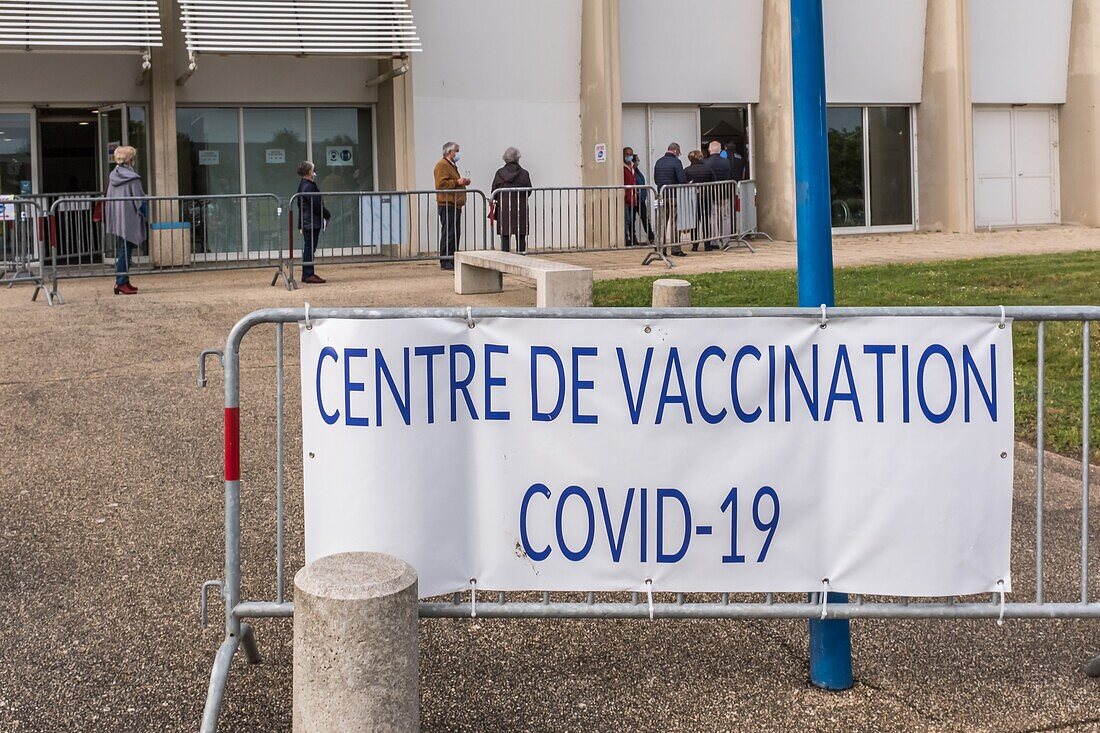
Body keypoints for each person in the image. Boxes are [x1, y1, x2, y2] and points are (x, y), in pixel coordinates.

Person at [104, 145, 146, 295]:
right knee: (125, 251)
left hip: (117, 216)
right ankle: (121, 282)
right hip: (130, 217)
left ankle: (124, 281)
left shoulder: (113, 176)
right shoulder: (133, 178)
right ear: (131, 160)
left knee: (123, 249)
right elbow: (139, 200)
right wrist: (145, 214)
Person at [434, 141, 470, 271]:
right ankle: (446, 260)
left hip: (455, 204)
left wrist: (462, 182)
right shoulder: (442, 165)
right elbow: (441, 184)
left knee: (455, 232)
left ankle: (453, 257)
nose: (458, 154)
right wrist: (457, 182)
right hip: (447, 203)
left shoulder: (452, 165)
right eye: (456, 151)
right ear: (450, 152)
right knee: (448, 232)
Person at [490, 147, 533, 253]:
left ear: (505, 159)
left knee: (505, 235)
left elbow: (494, 191)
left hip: (504, 208)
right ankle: (521, 257)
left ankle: (506, 258)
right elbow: (529, 190)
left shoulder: (500, 173)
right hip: (520, 207)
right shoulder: (524, 173)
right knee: (521, 235)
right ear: (518, 158)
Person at [296, 161, 330, 284]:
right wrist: (327, 215)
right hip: (311, 221)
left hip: (307, 221)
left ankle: (307, 273)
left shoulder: (303, 184)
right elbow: (315, 205)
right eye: (313, 170)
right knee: (310, 247)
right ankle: (309, 274)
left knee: (309, 247)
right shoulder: (309, 186)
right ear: (310, 171)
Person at [652, 143, 688, 257]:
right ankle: (675, 248)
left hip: (661, 195)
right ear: (676, 151)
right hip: (673, 195)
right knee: (674, 222)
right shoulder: (677, 162)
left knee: (662, 222)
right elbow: (681, 179)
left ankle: (661, 248)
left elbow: (656, 179)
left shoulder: (658, 161)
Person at [704, 140, 734, 250]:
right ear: (720, 149)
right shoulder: (726, 162)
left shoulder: (706, 162)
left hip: (711, 193)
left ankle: (714, 240)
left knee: (713, 217)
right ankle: (726, 239)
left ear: (709, 150)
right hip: (724, 192)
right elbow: (729, 175)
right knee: (726, 217)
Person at [684, 150, 716, 251]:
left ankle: (695, 245)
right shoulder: (708, 169)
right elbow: (714, 181)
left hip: (693, 199)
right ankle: (707, 244)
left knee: (694, 222)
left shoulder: (687, 170)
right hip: (706, 197)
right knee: (706, 220)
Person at [632, 158, 655, 245]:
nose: (638, 162)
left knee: (645, 218)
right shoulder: (631, 171)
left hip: (641, 199)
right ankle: (633, 239)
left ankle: (651, 237)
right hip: (634, 199)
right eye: (637, 160)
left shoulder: (637, 171)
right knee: (631, 219)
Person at [623, 147, 639, 246]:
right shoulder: (623, 167)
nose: (629, 156)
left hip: (633, 197)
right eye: (627, 154)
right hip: (625, 197)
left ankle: (632, 238)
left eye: (631, 154)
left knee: (632, 219)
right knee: (627, 219)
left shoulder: (633, 167)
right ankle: (626, 238)